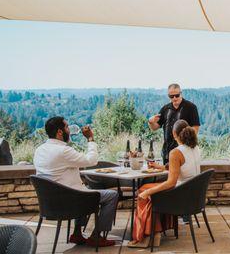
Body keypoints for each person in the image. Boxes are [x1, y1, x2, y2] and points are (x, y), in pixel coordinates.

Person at [33, 116, 118, 247]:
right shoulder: (63, 151)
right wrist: (90, 139)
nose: (69, 130)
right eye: (67, 127)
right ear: (60, 132)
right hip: (70, 203)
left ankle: (77, 234)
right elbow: (91, 161)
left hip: (50, 203)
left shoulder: (39, 150)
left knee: (82, 189)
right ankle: (97, 236)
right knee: (112, 195)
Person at [128, 120, 201, 248]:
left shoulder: (176, 152)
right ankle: (155, 232)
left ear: (174, 134)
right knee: (150, 190)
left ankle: (146, 236)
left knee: (144, 191)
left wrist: (147, 192)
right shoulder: (195, 148)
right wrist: (159, 167)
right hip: (193, 196)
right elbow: (181, 167)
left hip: (179, 198)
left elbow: (171, 182)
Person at [148, 83, 200, 164]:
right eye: (171, 96)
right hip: (167, 153)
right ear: (168, 96)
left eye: (177, 95)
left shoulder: (191, 107)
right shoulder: (165, 109)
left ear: (181, 93)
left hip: (184, 152)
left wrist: (185, 145)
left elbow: (195, 129)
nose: (174, 98)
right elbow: (154, 128)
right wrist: (150, 122)